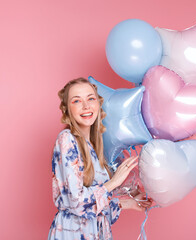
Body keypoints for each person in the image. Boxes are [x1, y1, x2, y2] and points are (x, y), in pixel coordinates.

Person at [48, 78, 152, 240]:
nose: (86, 106)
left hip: (97, 233)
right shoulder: (67, 139)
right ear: (67, 110)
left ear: (98, 103)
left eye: (91, 98)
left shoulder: (94, 145)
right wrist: (113, 183)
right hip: (74, 233)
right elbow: (77, 202)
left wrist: (128, 203)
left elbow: (95, 206)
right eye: (77, 101)